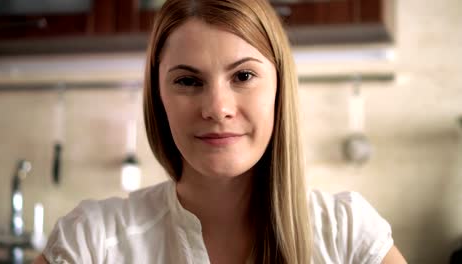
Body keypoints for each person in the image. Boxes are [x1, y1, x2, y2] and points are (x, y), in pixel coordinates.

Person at [34, 0, 407, 263]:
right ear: (158, 96)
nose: (216, 108)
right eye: (187, 80)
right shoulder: (91, 241)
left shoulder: (348, 235)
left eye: (243, 76)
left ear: (279, 90)